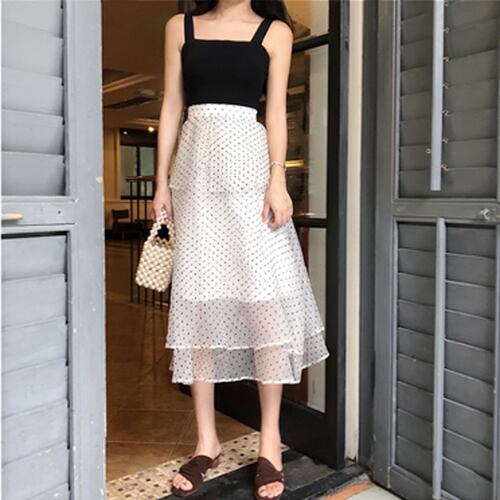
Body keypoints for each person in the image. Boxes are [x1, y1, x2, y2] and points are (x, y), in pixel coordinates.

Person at [149, 1, 330, 498]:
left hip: (251, 175)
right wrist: (161, 181)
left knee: (265, 305)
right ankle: (206, 440)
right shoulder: (180, 27)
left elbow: (274, 111)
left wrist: (278, 180)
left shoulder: (275, 33)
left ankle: (270, 441)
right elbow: (172, 104)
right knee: (199, 306)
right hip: (195, 178)